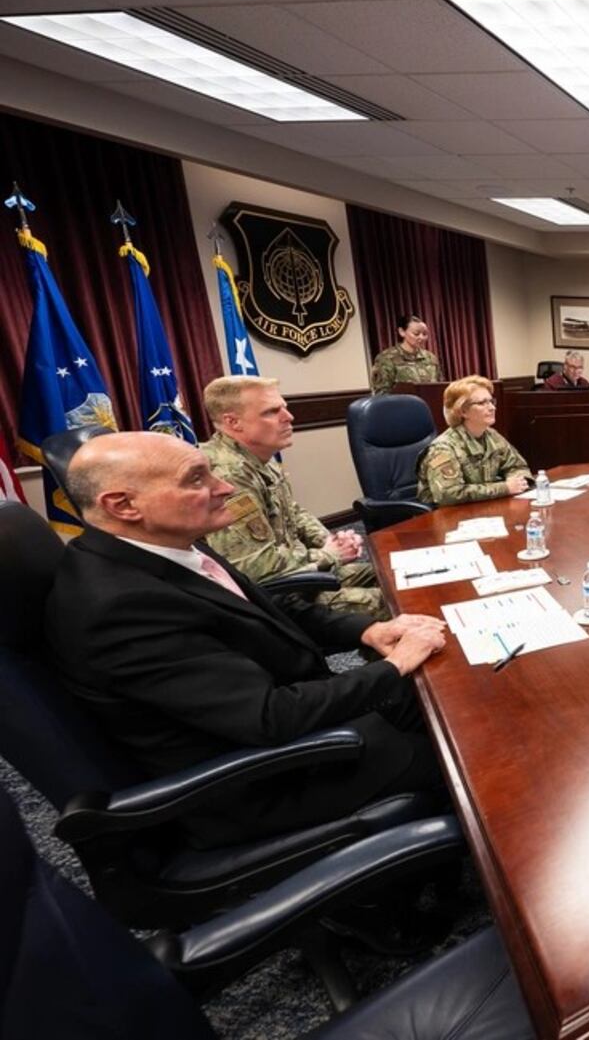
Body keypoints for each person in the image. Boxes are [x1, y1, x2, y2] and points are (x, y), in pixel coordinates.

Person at [45, 431, 448, 849]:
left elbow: (267, 611)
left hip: (291, 714)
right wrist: (394, 665)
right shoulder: (120, 609)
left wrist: (367, 630)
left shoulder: (164, 545)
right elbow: (271, 718)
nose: (226, 488)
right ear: (124, 505)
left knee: (445, 696)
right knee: (463, 761)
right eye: (196, 479)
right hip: (263, 779)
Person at [201, 375, 386, 618]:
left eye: (285, 407)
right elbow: (256, 568)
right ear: (233, 422)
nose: (289, 417)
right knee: (398, 602)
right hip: (274, 598)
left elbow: (294, 512)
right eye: (271, 411)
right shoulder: (227, 475)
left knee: (395, 575)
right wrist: (329, 555)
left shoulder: (259, 458)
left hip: (300, 572)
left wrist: (329, 540)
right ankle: (389, 652)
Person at [416, 375, 533, 505]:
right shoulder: (442, 449)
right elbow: (449, 494)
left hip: (481, 507)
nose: (492, 408)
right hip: (443, 516)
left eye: (491, 401)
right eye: (482, 403)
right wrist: (504, 488)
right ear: (462, 411)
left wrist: (517, 481)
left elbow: (517, 465)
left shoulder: (491, 435)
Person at [370, 314, 443, 394]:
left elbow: (439, 386)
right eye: (416, 334)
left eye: (424, 334)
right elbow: (381, 393)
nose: (421, 338)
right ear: (402, 332)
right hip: (401, 405)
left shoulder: (431, 358)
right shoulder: (386, 358)